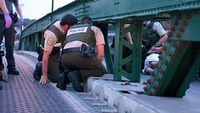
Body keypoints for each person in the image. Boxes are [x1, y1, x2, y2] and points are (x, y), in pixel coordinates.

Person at [56, 16, 107, 92]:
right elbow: (100, 55)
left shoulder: (71, 30)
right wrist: (95, 65)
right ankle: (77, 75)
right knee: (101, 70)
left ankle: (64, 75)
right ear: (91, 23)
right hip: (80, 56)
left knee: (75, 66)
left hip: (65, 59)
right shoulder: (94, 29)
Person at [33, 14, 78, 84]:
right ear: (66, 26)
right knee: (57, 78)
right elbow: (45, 56)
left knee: (65, 71)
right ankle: (40, 67)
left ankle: (54, 67)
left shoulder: (62, 26)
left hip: (57, 52)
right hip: (49, 54)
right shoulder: (52, 35)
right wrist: (44, 75)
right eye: (73, 27)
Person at [0, 0, 24, 77]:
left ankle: (11, 67)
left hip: (10, 19)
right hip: (1, 17)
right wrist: (6, 14)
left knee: (10, 44)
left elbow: (16, 4)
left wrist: (21, 16)